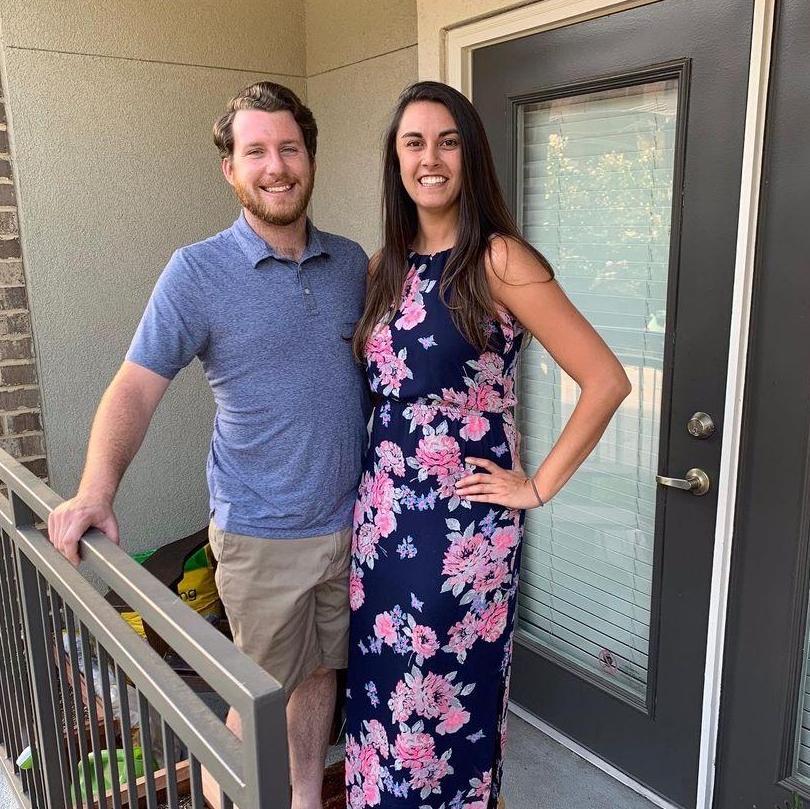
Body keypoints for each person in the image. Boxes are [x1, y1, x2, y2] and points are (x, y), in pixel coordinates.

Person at [47, 81, 370, 809]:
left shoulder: (351, 262)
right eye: (255, 151)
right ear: (230, 169)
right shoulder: (196, 272)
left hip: (351, 527)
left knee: (321, 676)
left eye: (289, 147)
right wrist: (97, 489)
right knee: (255, 700)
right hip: (262, 537)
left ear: (311, 157)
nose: (276, 165)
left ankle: (304, 798)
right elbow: (134, 386)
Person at [344, 81, 631, 809]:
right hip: (381, 526)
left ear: (471, 156)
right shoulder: (385, 269)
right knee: (381, 699)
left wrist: (534, 486)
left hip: (459, 532)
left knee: (441, 708)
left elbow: (604, 380)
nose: (431, 158)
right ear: (396, 160)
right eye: (414, 142)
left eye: (448, 141)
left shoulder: (499, 260)